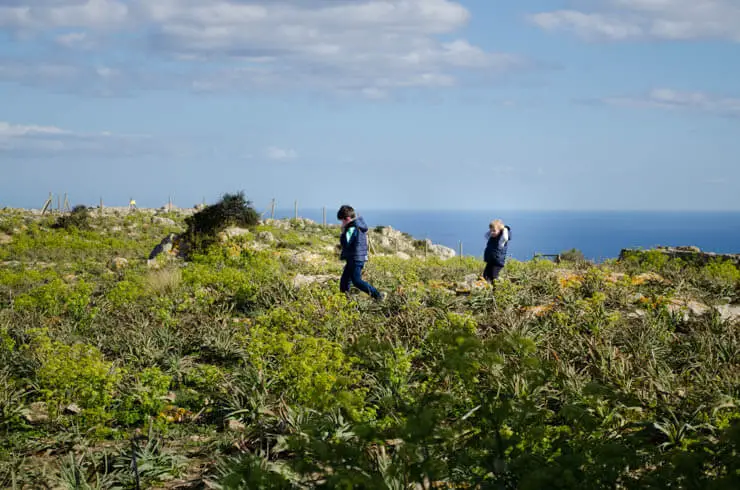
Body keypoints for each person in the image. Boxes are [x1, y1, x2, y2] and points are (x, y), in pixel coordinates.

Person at [337, 205, 386, 301]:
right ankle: (345, 300)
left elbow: (346, 243)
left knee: (357, 281)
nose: (341, 223)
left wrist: (343, 233)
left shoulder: (352, 228)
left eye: (342, 221)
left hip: (355, 258)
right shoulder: (358, 226)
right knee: (344, 281)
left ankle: (378, 295)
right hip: (355, 258)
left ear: (346, 219)